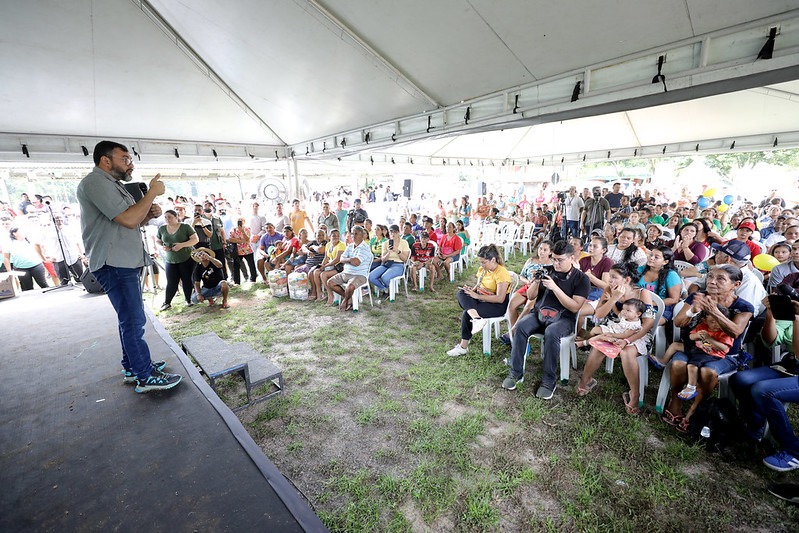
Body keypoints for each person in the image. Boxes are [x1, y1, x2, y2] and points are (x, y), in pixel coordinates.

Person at [76, 140, 181, 393]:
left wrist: (149, 214)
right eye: (125, 158)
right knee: (133, 320)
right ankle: (144, 376)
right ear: (105, 160)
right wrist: (151, 194)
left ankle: (134, 366)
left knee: (129, 319)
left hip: (122, 261)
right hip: (114, 263)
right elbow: (128, 218)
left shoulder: (112, 185)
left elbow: (133, 220)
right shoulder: (95, 183)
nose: (130, 163)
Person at [662, 265, 754, 426]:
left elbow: (735, 332)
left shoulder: (744, 307)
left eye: (720, 279)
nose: (712, 282)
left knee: (708, 372)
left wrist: (714, 311)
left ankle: (695, 408)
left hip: (722, 354)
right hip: (693, 347)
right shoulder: (697, 297)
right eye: (710, 277)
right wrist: (693, 311)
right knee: (678, 364)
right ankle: (675, 400)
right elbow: (678, 322)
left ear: (736, 284)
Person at [503, 241, 590, 399]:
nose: (555, 263)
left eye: (560, 260)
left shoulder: (581, 279)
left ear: (571, 258)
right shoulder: (547, 270)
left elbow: (575, 307)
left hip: (564, 318)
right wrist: (536, 282)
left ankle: (549, 381)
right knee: (520, 326)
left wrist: (555, 287)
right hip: (540, 313)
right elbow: (530, 297)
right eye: (554, 259)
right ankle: (516, 373)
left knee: (551, 332)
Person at [730, 291, 799, 471]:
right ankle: (754, 428)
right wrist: (771, 312)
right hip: (791, 366)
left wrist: (798, 319)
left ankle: (793, 449)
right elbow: (770, 340)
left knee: (764, 390)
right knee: (741, 379)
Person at [575, 263, 656, 412]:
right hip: (612, 329)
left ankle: (635, 394)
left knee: (627, 352)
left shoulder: (642, 293)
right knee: (598, 347)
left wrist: (627, 340)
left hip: (636, 333)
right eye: (610, 277)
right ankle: (585, 381)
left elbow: (648, 323)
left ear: (626, 280)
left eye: (614, 277)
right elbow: (598, 315)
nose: (610, 280)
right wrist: (614, 298)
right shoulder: (609, 289)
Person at [447, 244, 511, 357]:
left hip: (497, 305)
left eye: (484, 262)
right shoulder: (483, 269)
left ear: (493, 260)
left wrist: (477, 297)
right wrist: (471, 290)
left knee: (467, 313)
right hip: (482, 297)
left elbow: (500, 299)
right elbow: (479, 284)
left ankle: (463, 346)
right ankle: (477, 319)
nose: (481, 265)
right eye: (480, 262)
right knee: (461, 293)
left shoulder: (501, 272)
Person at [327, 225, 372, 311]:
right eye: (352, 234)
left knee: (350, 287)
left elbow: (356, 262)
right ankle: (348, 298)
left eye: (356, 234)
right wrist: (350, 259)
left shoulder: (365, 248)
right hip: (346, 273)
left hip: (359, 275)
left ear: (362, 236)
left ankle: (345, 301)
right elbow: (341, 259)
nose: (353, 236)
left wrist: (347, 260)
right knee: (330, 283)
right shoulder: (350, 246)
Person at [636, 245, 682, 323]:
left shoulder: (671, 275)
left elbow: (674, 299)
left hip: (661, 308)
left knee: (644, 321)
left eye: (656, 257)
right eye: (651, 255)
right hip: (638, 306)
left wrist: (650, 304)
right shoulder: (641, 270)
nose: (651, 258)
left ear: (665, 262)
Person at [369, 224, 411, 299]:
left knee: (385, 278)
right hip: (387, 263)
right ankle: (385, 289)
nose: (392, 234)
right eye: (391, 232)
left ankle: (387, 291)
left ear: (398, 233)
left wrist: (397, 251)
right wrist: (388, 253)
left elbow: (405, 259)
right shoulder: (385, 243)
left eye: (394, 232)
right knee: (371, 276)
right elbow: (383, 259)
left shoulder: (404, 242)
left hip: (398, 264)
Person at [578, 235, 614, 301]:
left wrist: (590, 277)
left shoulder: (608, 262)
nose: (591, 248)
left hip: (599, 291)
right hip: (584, 289)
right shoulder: (583, 260)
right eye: (590, 245)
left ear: (603, 250)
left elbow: (605, 286)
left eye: (595, 246)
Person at [315, 228, 345, 303]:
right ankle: (320, 294)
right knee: (316, 272)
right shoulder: (328, 244)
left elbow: (337, 260)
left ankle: (330, 295)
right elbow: (326, 257)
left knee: (323, 275)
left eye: (338, 235)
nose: (336, 237)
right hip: (330, 266)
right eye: (334, 235)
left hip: (339, 267)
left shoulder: (341, 245)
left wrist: (325, 266)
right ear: (329, 236)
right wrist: (322, 265)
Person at [228, 217, 255, 285]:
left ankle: (253, 279)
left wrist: (242, 231)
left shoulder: (247, 229)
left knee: (251, 264)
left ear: (244, 222)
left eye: (242, 221)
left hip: (247, 250)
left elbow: (247, 239)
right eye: (239, 221)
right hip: (237, 250)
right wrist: (241, 241)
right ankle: (236, 281)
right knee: (236, 266)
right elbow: (230, 239)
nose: (240, 222)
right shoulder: (233, 229)